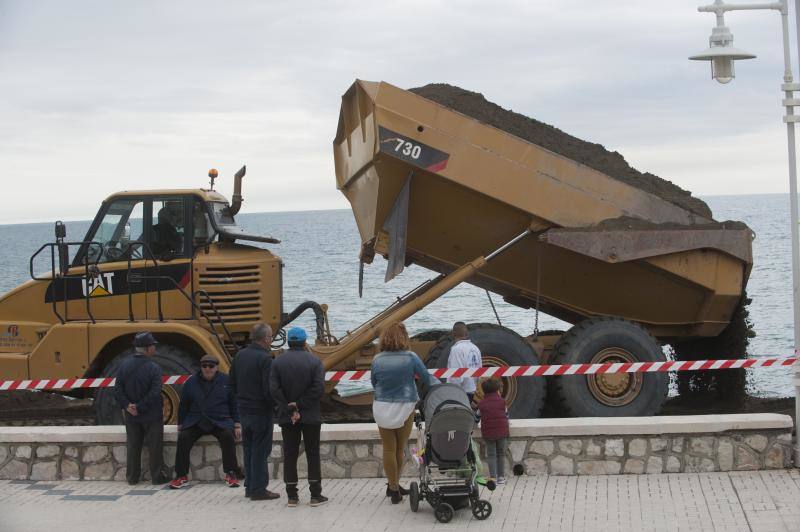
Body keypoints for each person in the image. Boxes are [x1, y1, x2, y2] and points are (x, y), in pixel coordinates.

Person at [371, 322, 438, 504]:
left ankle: (393, 487)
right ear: (404, 337)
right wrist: (444, 385)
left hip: (382, 406)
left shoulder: (377, 359)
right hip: (405, 406)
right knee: (399, 449)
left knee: (388, 449)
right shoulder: (411, 357)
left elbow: (374, 382)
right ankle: (394, 487)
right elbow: (427, 378)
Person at [270, 327, 327, 507]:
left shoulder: (277, 362)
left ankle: (292, 496)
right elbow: (318, 389)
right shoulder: (315, 361)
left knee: (290, 454)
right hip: (310, 415)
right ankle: (315, 495)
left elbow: (274, 389)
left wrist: (289, 408)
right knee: (312, 453)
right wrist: (299, 405)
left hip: (287, 417)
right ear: (304, 342)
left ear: (288, 342)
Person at [169, 354, 242, 489]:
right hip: (196, 420)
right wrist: (181, 424)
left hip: (219, 420)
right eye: (204, 366)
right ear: (201, 367)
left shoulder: (226, 381)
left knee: (227, 436)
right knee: (184, 437)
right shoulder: (191, 382)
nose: (208, 369)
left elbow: (234, 403)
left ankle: (231, 473)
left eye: (211, 366)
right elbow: (184, 404)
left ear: (216, 367)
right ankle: (181, 475)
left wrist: (237, 424)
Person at [229, 323, 279, 501]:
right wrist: (275, 407)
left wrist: (241, 401)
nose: (271, 340)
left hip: (244, 410)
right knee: (260, 450)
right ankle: (259, 489)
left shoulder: (239, 356)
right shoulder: (265, 359)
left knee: (249, 449)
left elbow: (232, 384)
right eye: (271, 337)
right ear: (265, 339)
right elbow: (268, 389)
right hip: (260, 411)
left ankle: (250, 486)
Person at [113, 331, 169, 485]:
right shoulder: (154, 368)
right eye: (153, 346)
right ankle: (157, 477)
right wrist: (140, 406)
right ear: (147, 348)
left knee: (133, 447)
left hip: (132, 416)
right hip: (152, 415)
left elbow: (118, 389)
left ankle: (132, 477)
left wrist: (128, 406)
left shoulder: (123, 365)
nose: (154, 348)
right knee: (155, 447)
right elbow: (155, 391)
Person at [477, 379, 509, 484]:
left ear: (484, 391)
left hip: (488, 433)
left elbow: (477, 417)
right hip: (502, 432)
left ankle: (493, 478)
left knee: (491, 455)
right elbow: (506, 415)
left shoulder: (481, 404)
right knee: (501, 454)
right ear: (497, 390)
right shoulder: (502, 402)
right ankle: (501, 477)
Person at [446, 322, 483, 403]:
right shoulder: (475, 348)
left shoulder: (456, 349)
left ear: (453, 333)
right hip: (471, 390)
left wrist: (453, 392)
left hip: (460, 391)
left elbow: (456, 374)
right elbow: (479, 370)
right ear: (467, 333)